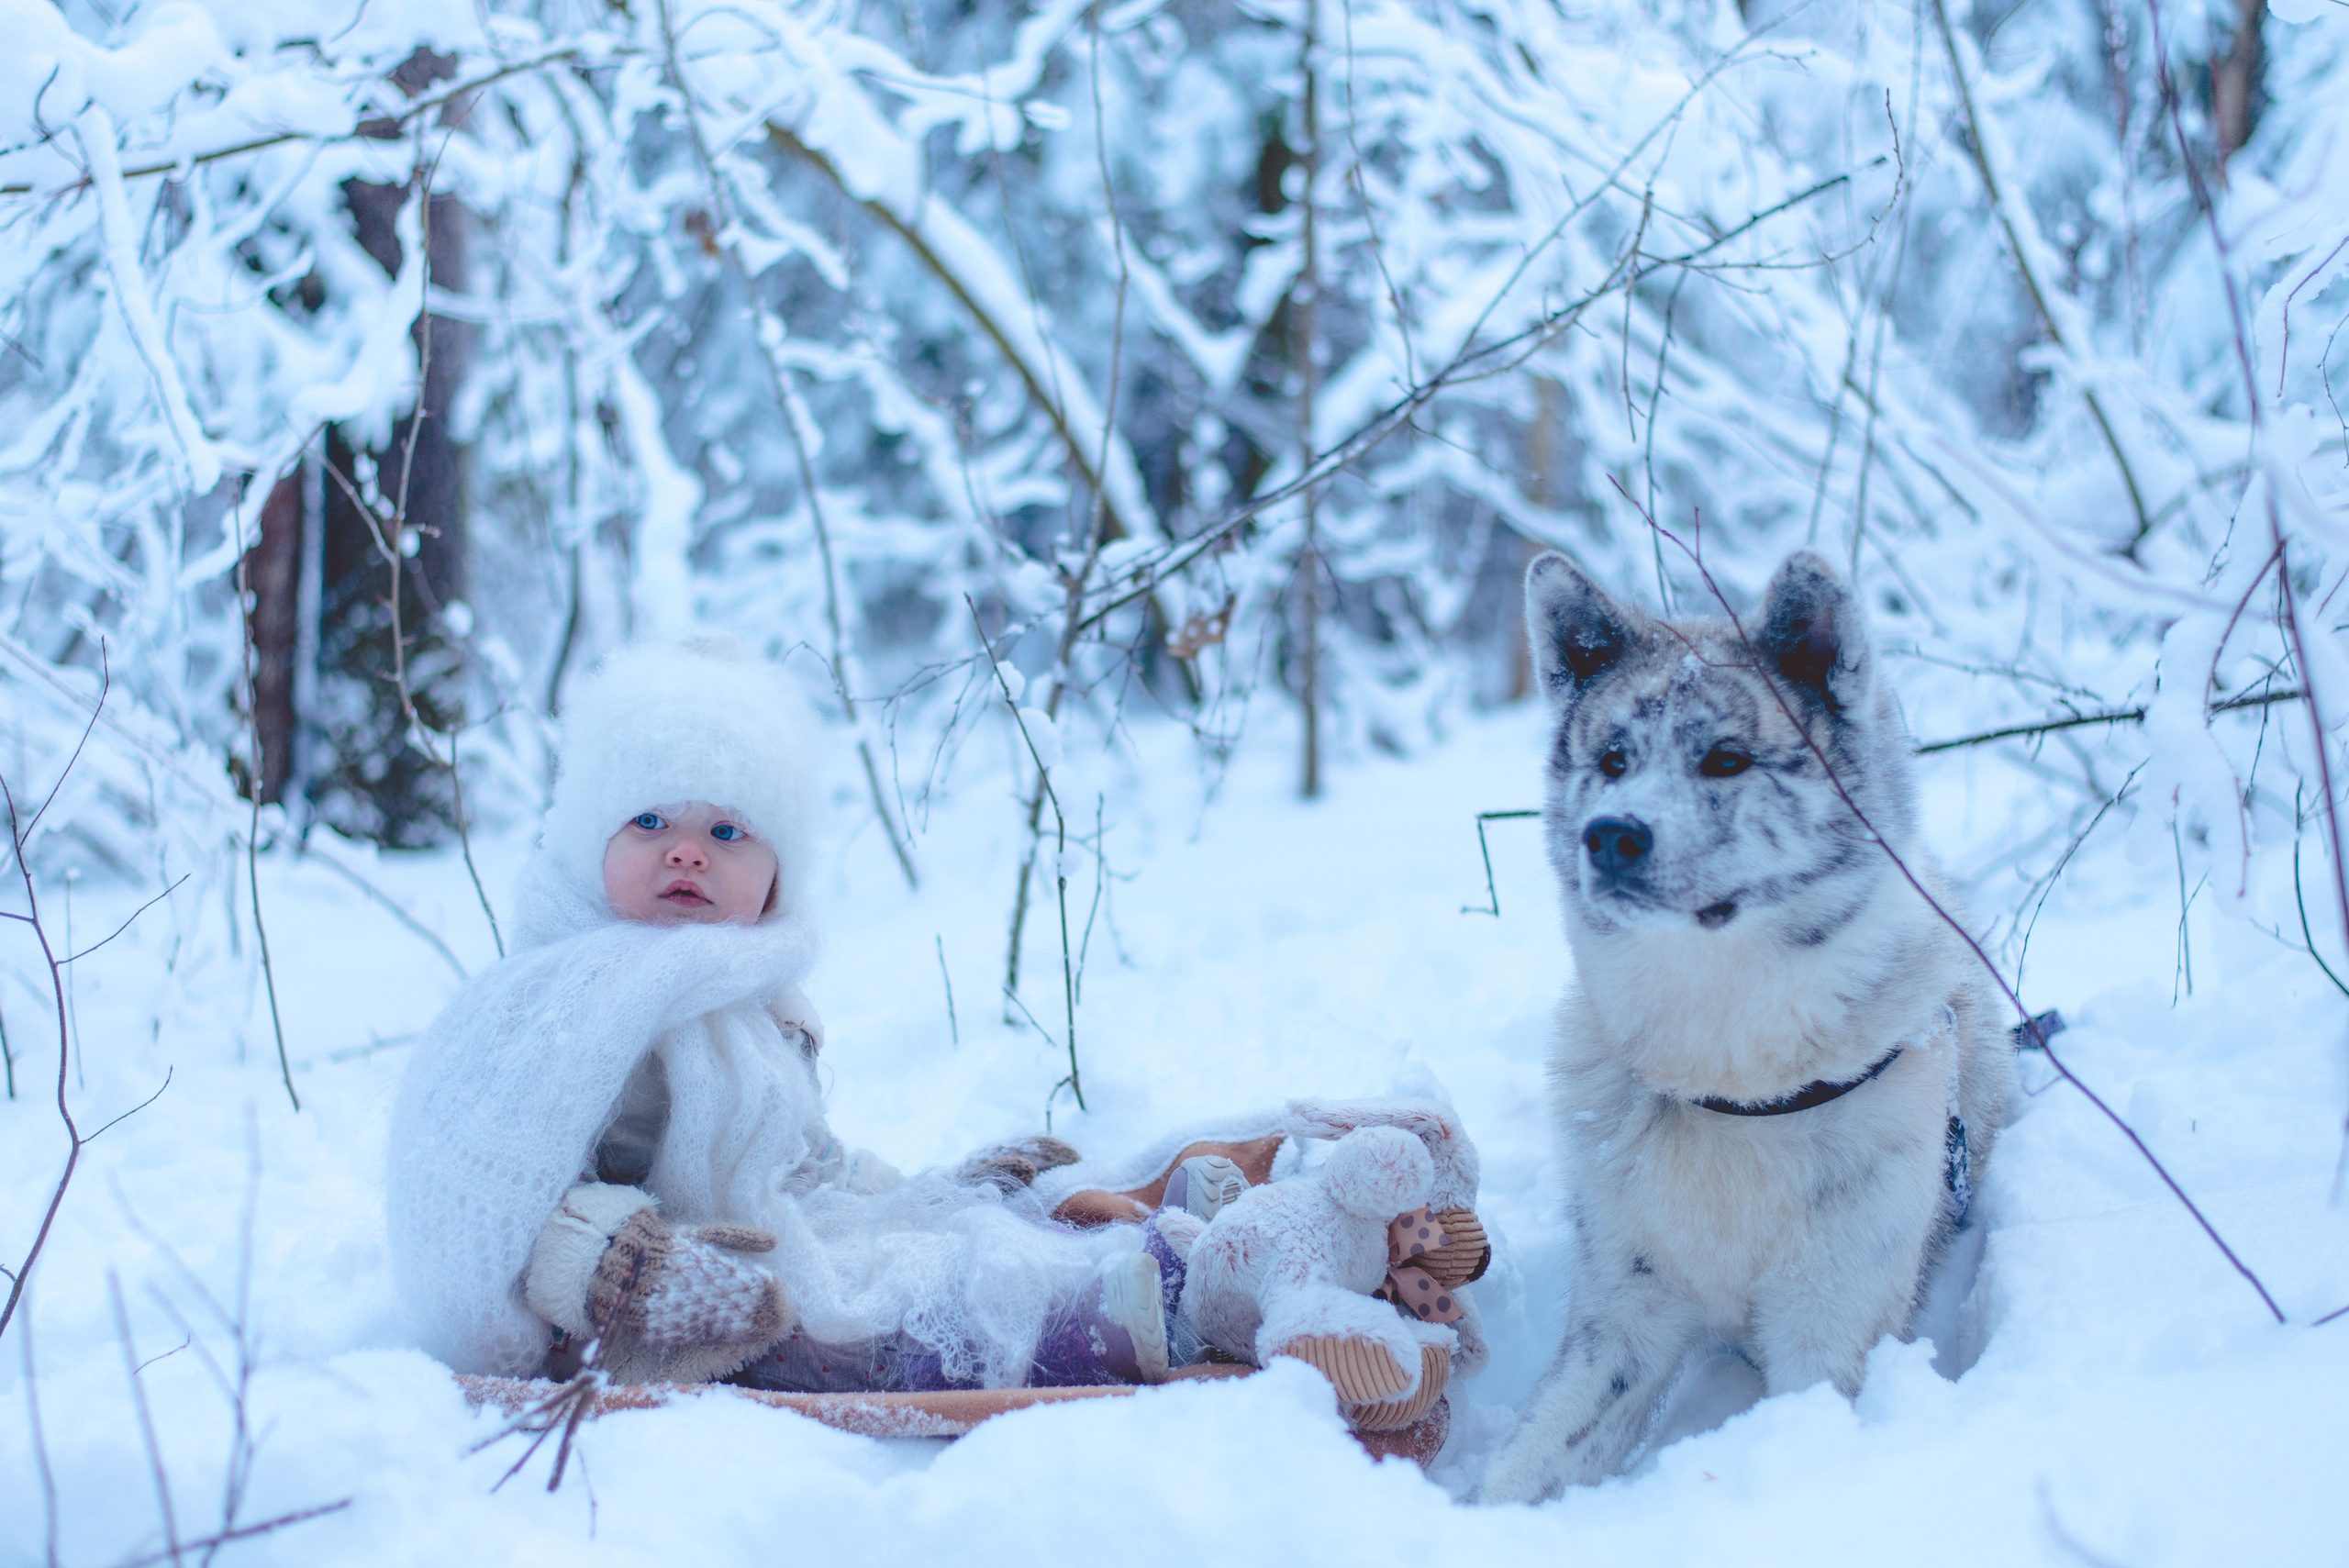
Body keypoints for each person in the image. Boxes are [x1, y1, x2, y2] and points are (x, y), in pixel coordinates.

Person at [385, 640, 1246, 1394]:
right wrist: (608, 1264)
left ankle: (1128, 1239)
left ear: (774, 876)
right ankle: (1088, 1324)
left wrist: (925, 1193)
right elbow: (481, 1194)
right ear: (588, 843)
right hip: (648, 1302)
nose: (686, 850)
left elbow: (804, 1163)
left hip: (760, 1242)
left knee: (912, 1242)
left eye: (727, 831)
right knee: (845, 1324)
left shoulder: (751, 999)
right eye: (648, 820)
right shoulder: (550, 1007)